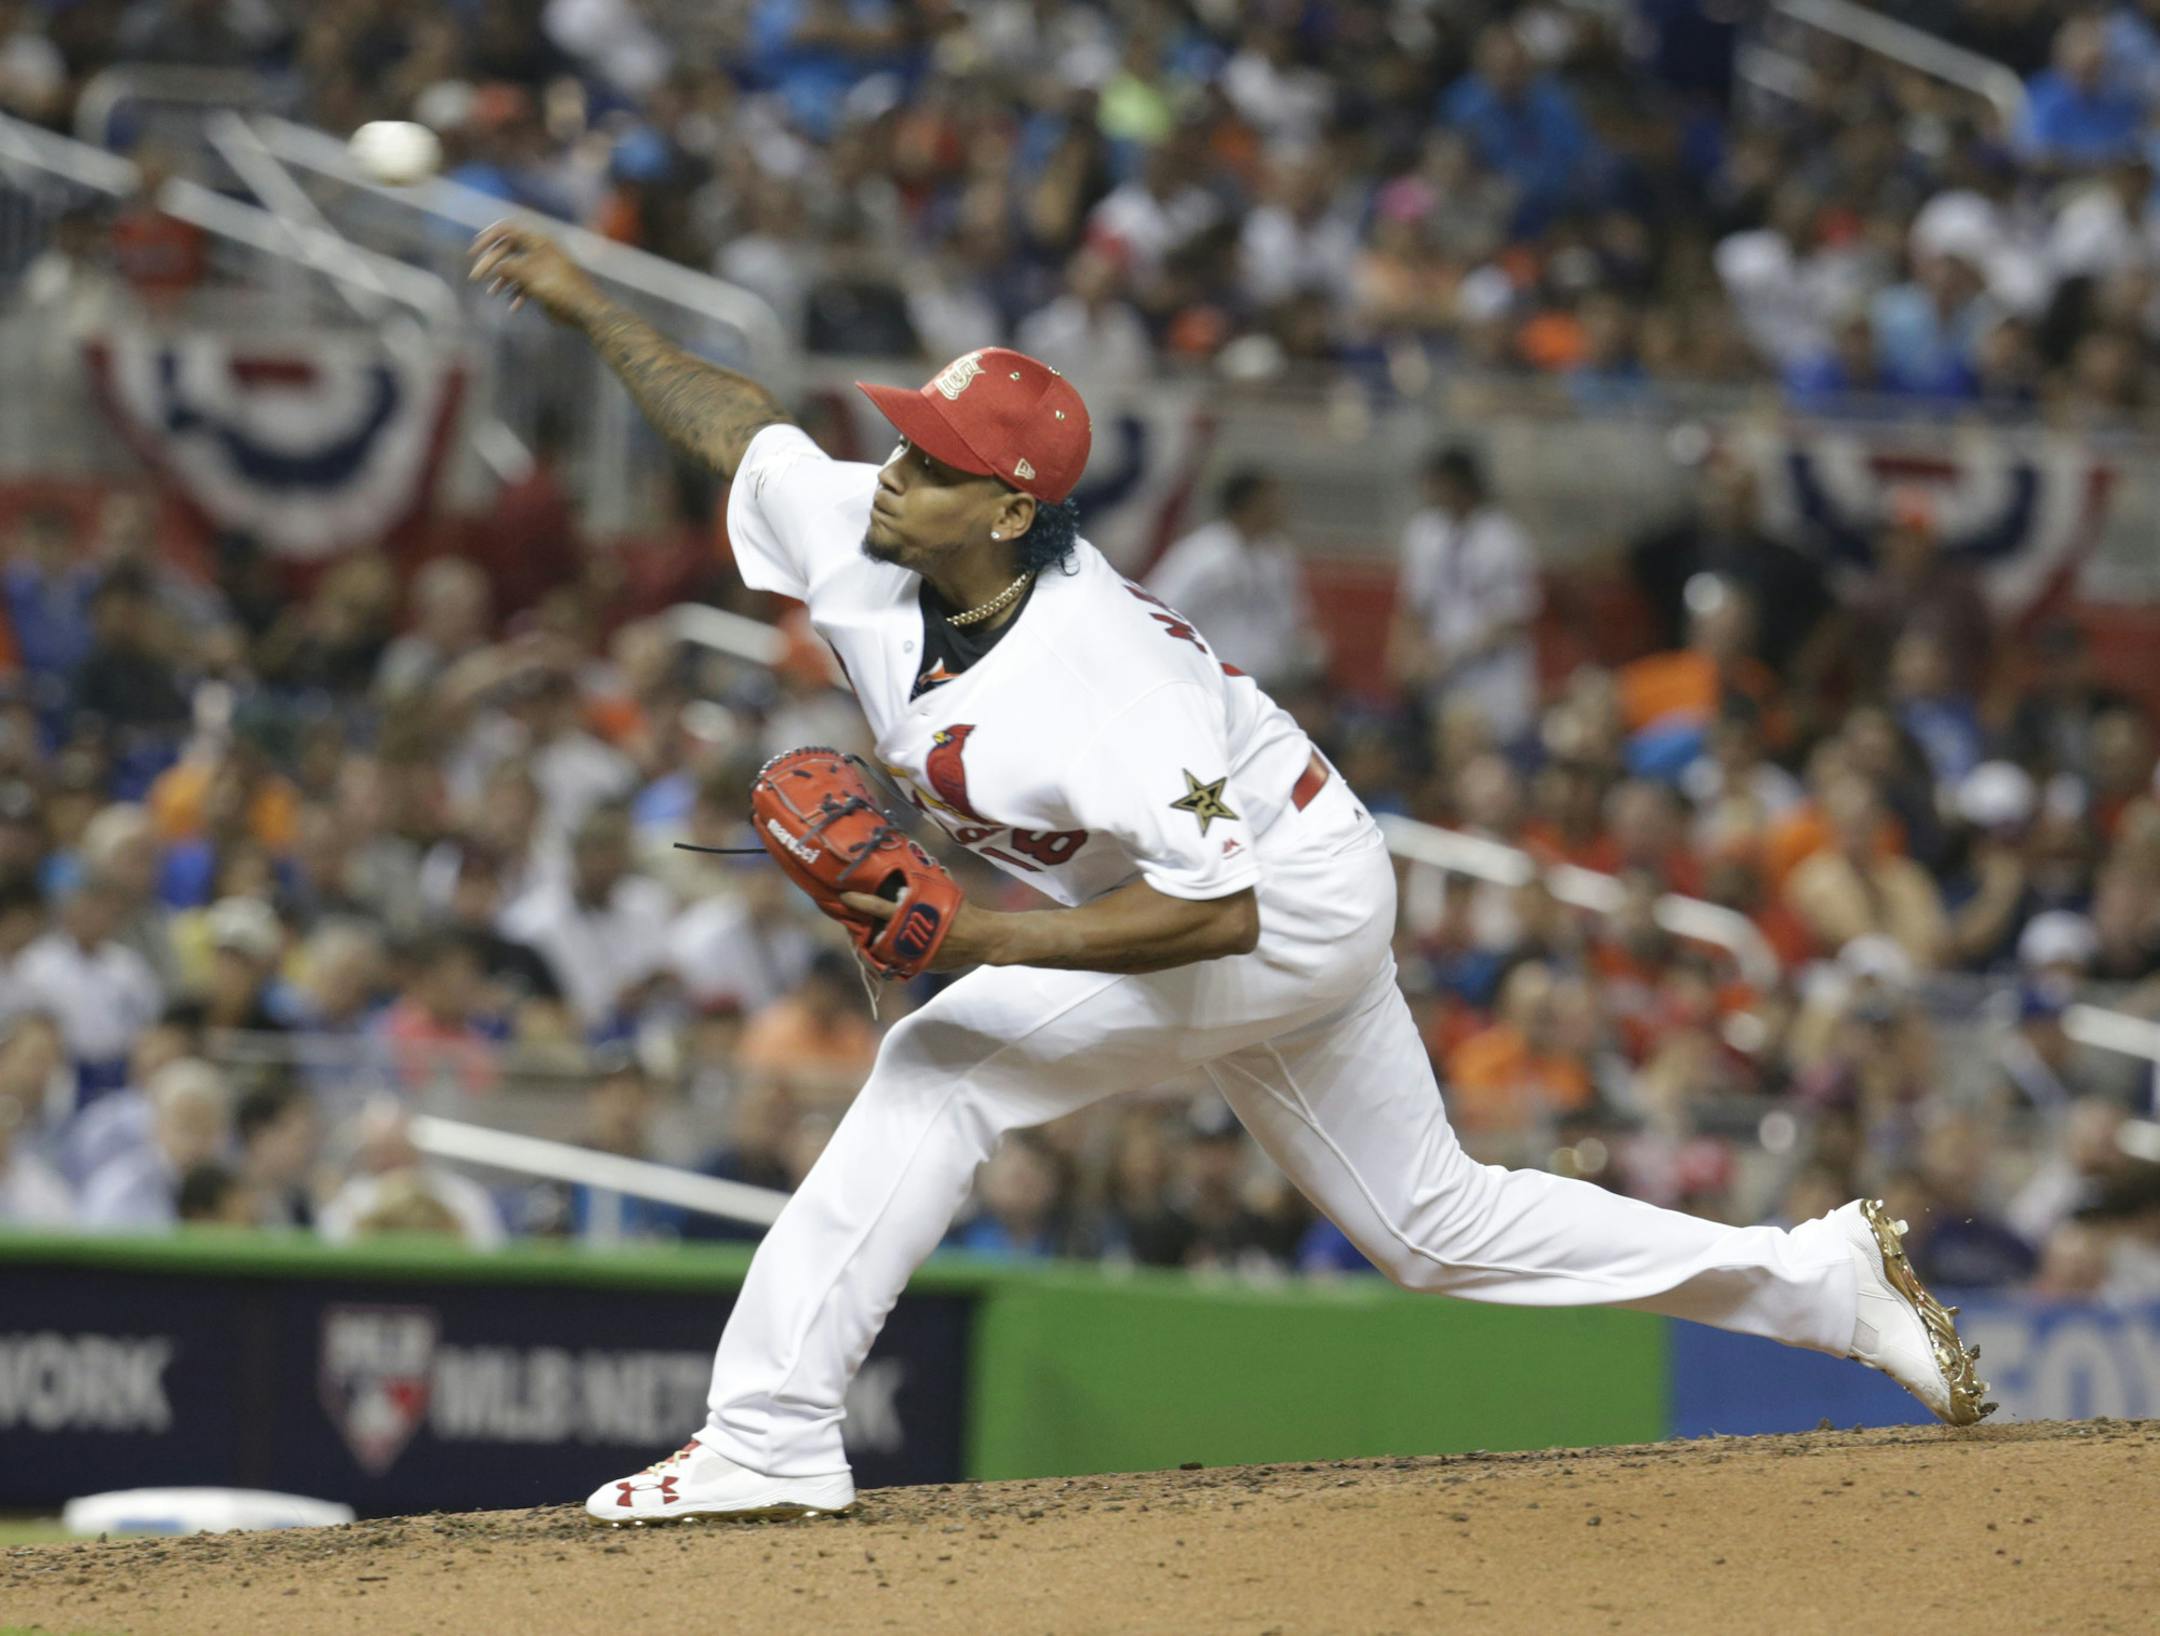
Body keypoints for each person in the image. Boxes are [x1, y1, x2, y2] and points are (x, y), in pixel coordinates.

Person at [471, 221, 1995, 1527]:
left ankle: (768, 1440)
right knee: (1432, 1224)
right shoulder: (887, 534)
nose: (892, 473)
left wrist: (970, 939)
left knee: (941, 1066)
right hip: (1269, 874)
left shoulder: (1097, 674)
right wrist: (593, 302)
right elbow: (742, 429)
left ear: (1009, 511)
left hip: (1283, 900)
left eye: (933, 465)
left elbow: (1221, 913)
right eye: (902, 440)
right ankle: (1815, 1280)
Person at [1385, 446, 1541, 745]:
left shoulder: (1506, 538)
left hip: (1492, 679)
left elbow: (1511, 622)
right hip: (1436, 679)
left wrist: (1449, 656)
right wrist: (1407, 659)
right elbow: (1414, 607)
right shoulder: (1424, 532)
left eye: (1437, 484)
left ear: (1460, 484)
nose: (1430, 493)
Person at [1145, 468, 1322, 694]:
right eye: (1273, 499)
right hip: (1210, 681)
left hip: (1266, 685)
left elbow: (1292, 619)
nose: (1282, 507)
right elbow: (1156, 605)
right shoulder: (1203, 553)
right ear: (1251, 503)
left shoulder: (1277, 557)